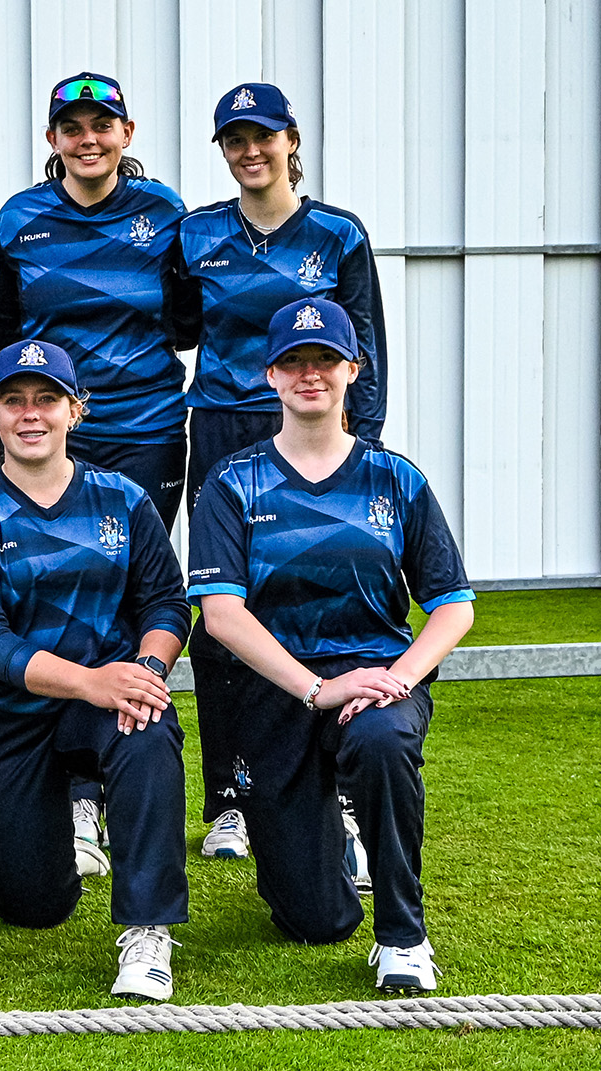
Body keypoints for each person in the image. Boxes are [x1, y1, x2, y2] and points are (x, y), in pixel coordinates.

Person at [188, 297, 473, 992]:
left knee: (379, 741)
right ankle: (331, 839)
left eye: (324, 360)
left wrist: (396, 679)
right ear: (270, 376)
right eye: (293, 361)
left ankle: (404, 936)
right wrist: (317, 689)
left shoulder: (397, 478)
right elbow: (221, 615)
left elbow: (452, 606)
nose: (309, 373)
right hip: (278, 691)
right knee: (315, 918)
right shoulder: (232, 481)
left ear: (353, 369)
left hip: (374, 682)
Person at [171, 82, 389, 860]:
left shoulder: (336, 233)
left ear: (291, 140)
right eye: (235, 140)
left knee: (320, 601)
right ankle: (231, 794)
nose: (251, 151)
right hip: (226, 426)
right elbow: (178, 322)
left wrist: (358, 449)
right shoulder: (196, 234)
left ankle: (339, 792)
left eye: (264, 136)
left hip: (315, 429)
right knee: (223, 608)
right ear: (223, 150)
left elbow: (363, 345)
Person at [0, 339, 191, 1001]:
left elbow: (165, 601)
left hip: (102, 700)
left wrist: (143, 669)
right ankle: (58, 841)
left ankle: (147, 932)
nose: (31, 414)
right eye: (12, 400)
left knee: (147, 725)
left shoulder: (124, 499)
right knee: (35, 904)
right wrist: (92, 679)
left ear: (75, 410)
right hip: (5, 718)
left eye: (46, 398)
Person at [0, 72, 189, 527]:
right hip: (46, 428)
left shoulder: (163, 210)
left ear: (127, 133)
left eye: (102, 125)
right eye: (72, 129)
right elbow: (2, 327)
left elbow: (188, 317)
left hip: (146, 427)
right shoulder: (19, 215)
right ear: (52, 139)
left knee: (140, 569)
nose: (88, 140)